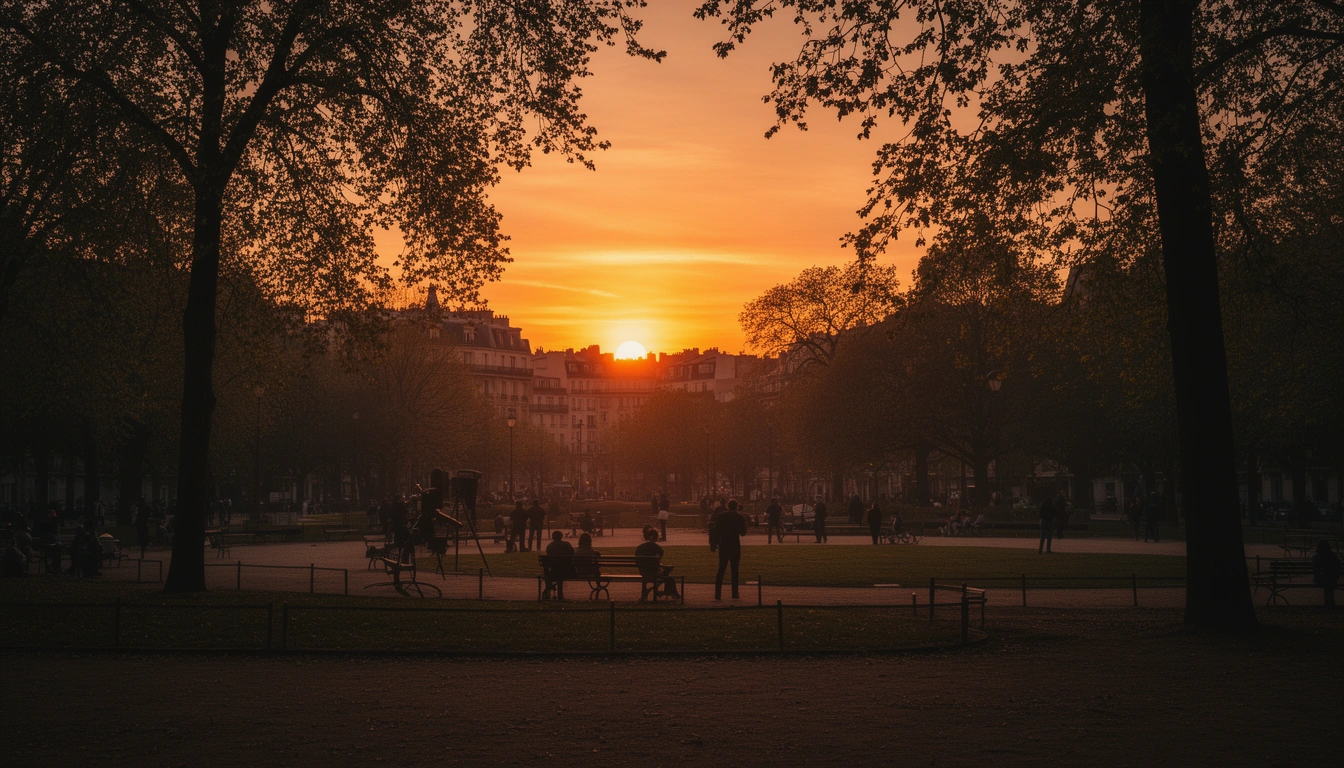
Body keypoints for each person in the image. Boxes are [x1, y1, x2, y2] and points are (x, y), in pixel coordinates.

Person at [713, 499, 747, 600]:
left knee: (721, 569)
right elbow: (743, 533)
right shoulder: (739, 517)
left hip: (724, 544)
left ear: (728, 506)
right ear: (736, 506)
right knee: (735, 570)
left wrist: (716, 543)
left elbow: (716, 530)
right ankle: (735, 593)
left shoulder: (722, 515)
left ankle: (717, 593)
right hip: (735, 544)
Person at [635, 527, 679, 600]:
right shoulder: (655, 546)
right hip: (652, 571)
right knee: (668, 577)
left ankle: (668, 593)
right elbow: (660, 554)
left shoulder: (640, 547)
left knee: (666, 574)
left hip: (643, 571)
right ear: (652, 537)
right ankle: (672, 593)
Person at [543, 530, 575, 600]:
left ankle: (549, 588)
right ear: (561, 536)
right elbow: (572, 555)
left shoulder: (550, 546)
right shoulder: (566, 544)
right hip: (567, 571)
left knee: (550, 572)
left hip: (554, 571)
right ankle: (559, 593)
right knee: (561, 572)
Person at [1313, 540, 1341, 608]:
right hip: (1333, 579)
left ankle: (1329, 603)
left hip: (1321, 580)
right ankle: (1330, 602)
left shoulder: (1317, 556)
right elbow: (1338, 568)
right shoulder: (1333, 556)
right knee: (1329, 583)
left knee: (1327, 582)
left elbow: (1315, 570)